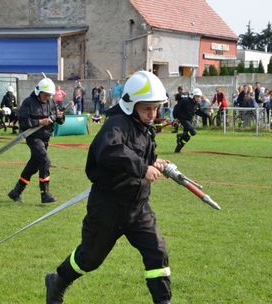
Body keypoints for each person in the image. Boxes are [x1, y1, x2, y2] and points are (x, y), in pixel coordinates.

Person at [45, 71, 172, 304]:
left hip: (138, 207)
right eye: (147, 109)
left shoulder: (146, 127)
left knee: (157, 252)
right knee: (89, 258)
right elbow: (110, 151)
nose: (153, 114)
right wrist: (143, 168)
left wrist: (155, 162)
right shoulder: (116, 125)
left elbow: (141, 155)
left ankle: (163, 301)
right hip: (108, 208)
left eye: (156, 108)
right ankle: (58, 280)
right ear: (131, 105)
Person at [7, 78, 65, 204]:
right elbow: (23, 122)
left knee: (33, 165)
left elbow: (60, 120)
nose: (47, 97)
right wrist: (39, 122)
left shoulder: (51, 102)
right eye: (45, 95)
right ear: (39, 91)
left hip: (45, 138)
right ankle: (45, 194)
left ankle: (16, 192)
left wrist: (60, 116)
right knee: (45, 160)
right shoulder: (28, 103)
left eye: (49, 95)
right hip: (33, 137)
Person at [174, 88, 201, 153]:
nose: (198, 98)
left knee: (187, 137)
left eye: (199, 97)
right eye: (197, 96)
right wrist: (175, 118)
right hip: (183, 119)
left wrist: (206, 115)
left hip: (189, 120)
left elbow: (198, 112)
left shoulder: (197, 104)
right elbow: (176, 108)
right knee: (193, 132)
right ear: (193, 96)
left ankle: (178, 150)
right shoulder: (185, 101)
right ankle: (179, 136)